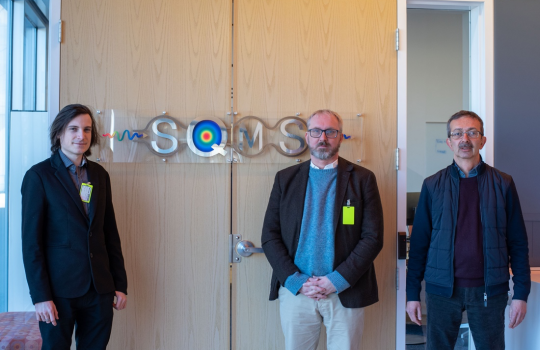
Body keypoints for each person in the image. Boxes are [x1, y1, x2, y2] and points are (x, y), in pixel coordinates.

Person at [406, 110, 531, 350]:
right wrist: (413, 294)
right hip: (441, 292)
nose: (465, 139)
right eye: (458, 133)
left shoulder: (503, 183)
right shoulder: (432, 185)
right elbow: (420, 244)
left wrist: (520, 294)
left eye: (472, 133)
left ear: (482, 140)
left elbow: (518, 242)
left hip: (489, 290)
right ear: (449, 142)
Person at [261, 109, 384, 350]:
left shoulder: (362, 179)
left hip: (345, 291)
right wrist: (297, 281)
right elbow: (270, 236)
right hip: (297, 292)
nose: (323, 138)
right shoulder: (285, 179)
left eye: (330, 131)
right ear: (307, 137)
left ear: (340, 137)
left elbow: (373, 237)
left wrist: (336, 280)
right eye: (316, 131)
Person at [22, 104, 128, 350]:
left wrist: (119, 284)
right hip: (58, 293)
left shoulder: (100, 175)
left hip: (99, 289)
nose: (81, 135)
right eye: (74, 129)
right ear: (59, 133)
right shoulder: (38, 176)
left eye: (87, 129)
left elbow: (109, 233)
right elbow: (31, 244)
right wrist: (41, 297)